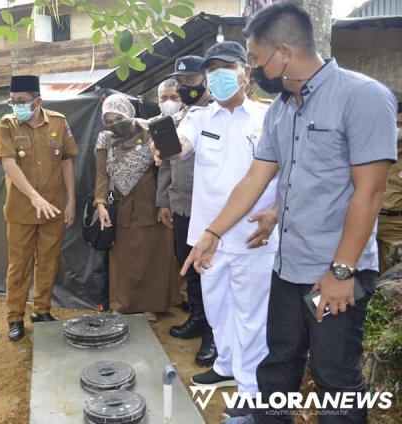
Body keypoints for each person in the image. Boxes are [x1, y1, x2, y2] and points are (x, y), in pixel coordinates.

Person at [187, 4, 398, 423]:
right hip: (288, 269)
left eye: (256, 58)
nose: (254, 68)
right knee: (278, 363)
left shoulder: (363, 96)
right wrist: (213, 231)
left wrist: (341, 273)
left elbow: (369, 192)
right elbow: (255, 179)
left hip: (337, 271)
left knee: (334, 376)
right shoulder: (283, 108)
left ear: (282, 54)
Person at [163, 42, 278, 417]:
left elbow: (290, 170)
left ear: (246, 72)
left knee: (251, 314)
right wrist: (161, 140)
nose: (219, 77)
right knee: (217, 307)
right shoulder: (199, 119)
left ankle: (250, 386)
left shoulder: (268, 117)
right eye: (212, 70)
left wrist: (276, 211)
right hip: (207, 238)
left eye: (227, 68)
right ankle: (226, 366)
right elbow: (180, 148)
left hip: (251, 237)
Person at [0, 75, 79, 341]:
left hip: (53, 208)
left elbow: (66, 163)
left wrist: (71, 201)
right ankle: (15, 317)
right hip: (21, 210)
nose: (16, 105)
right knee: (19, 265)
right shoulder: (7, 124)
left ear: (38, 101)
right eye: (13, 101)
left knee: (49, 262)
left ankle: (41, 310)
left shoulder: (58, 122)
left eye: (22, 101)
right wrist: (33, 197)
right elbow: (8, 163)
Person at [96, 93, 181, 319]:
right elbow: (101, 174)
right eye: (110, 121)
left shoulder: (151, 129)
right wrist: (100, 203)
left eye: (119, 118)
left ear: (129, 112)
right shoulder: (105, 139)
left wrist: (165, 201)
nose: (115, 125)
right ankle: (122, 304)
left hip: (151, 203)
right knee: (123, 258)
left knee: (153, 254)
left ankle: (151, 305)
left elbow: (169, 164)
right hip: (121, 206)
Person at [156, 56, 218, 367]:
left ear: (205, 79)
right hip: (181, 206)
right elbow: (167, 163)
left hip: (211, 212)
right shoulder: (182, 118)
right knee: (188, 266)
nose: (186, 88)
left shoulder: (219, 114)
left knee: (209, 271)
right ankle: (197, 316)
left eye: (191, 82)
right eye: (182, 84)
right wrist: (164, 201)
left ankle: (213, 334)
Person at [376, 100, 402, 274]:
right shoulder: (374, 149)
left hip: (396, 232)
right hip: (368, 227)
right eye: (396, 124)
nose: (398, 129)